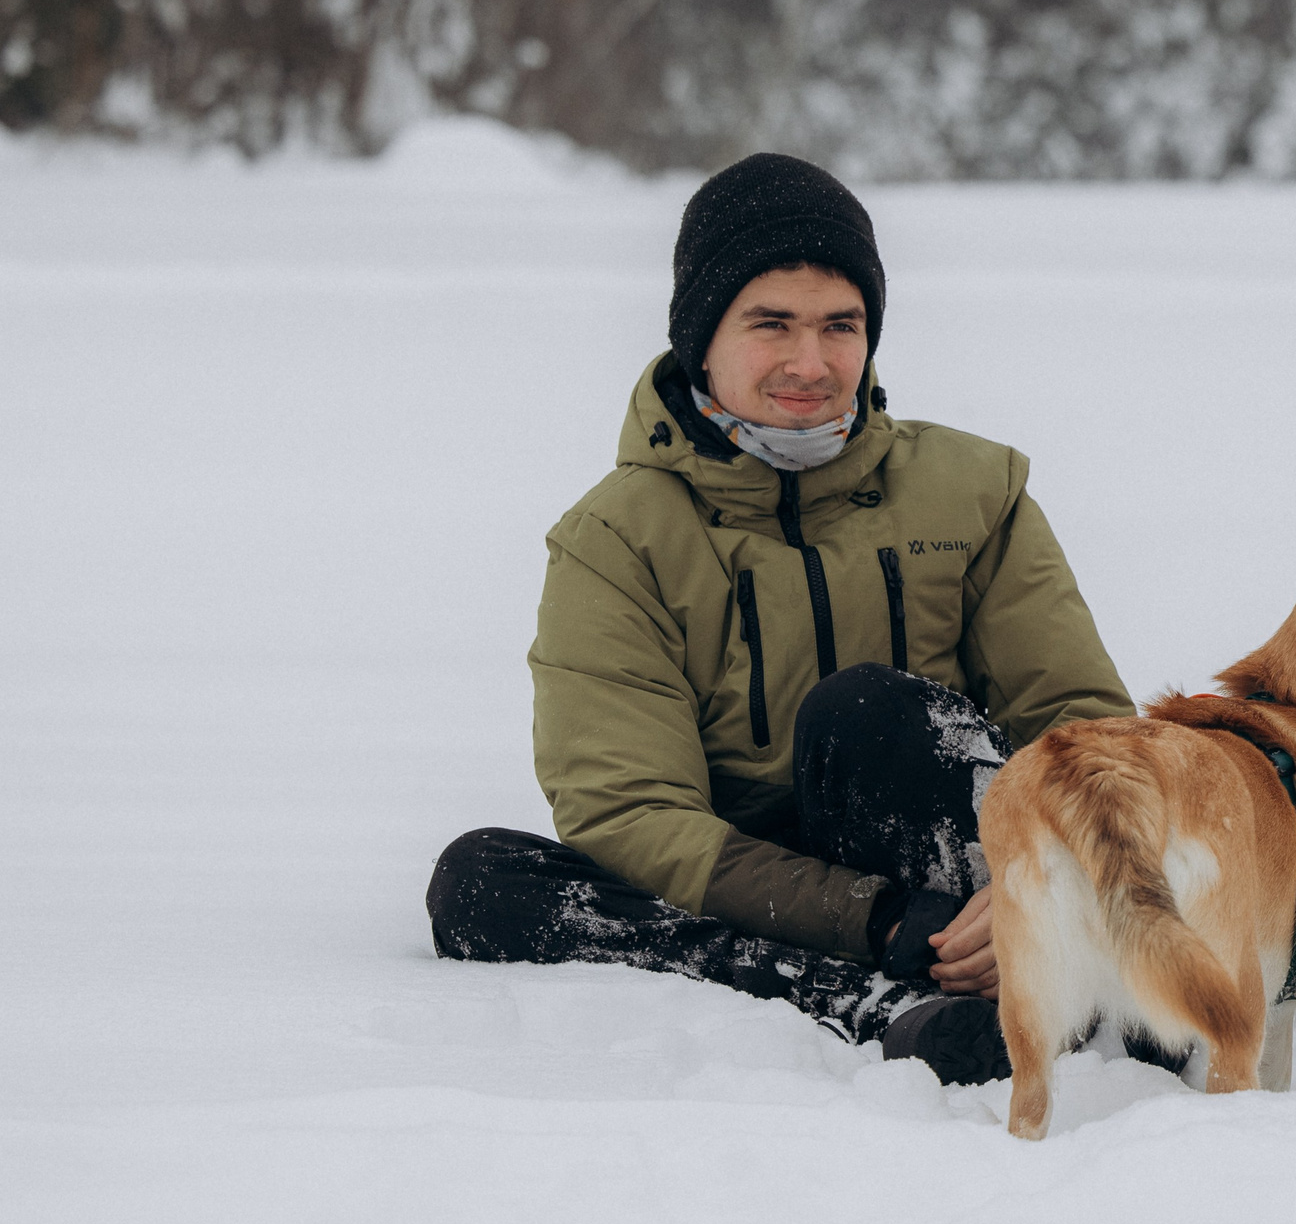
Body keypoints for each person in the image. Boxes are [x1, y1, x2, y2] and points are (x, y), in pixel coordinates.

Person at [425, 153, 1132, 1086]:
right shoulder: (616, 539)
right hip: (759, 887)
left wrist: (1043, 884)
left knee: (865, 713)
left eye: (841, 325)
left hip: (965, 877)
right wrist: (876, 918)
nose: (812, 363)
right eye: (772, 324)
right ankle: (863, 995)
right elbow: (630, 811)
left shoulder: (974, 493)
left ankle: (1042, 973)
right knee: (480, 881)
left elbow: (1084, 724)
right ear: (701, 336)